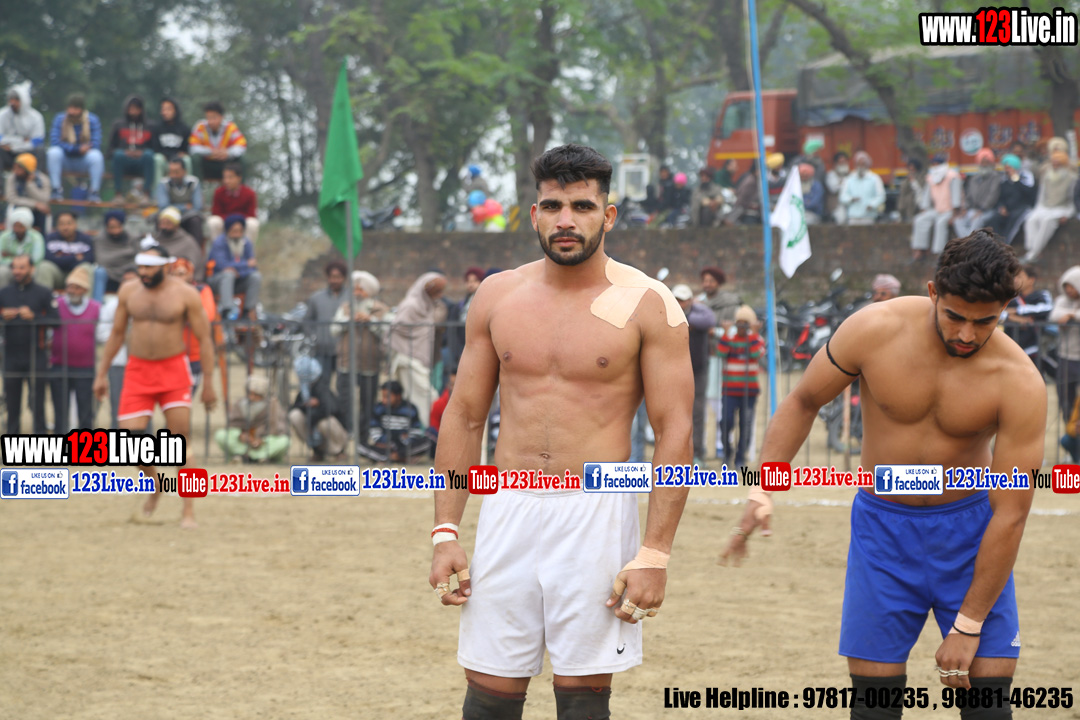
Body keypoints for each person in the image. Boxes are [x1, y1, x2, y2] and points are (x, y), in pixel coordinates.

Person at [722, 231, 1046, 717]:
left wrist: (970, 624)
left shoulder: (1019, 380)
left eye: (985, 322)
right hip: (883, 530)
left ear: (1005, 309)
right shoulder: (874, 329)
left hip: (972, 534)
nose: (966, 334)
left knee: (989, 707)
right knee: (874, 708)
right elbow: (804, 400)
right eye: (954, 316)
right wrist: (764, 489)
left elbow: (1012, 513)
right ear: (933, 292)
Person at [429, 143, 693, 720]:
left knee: (581, 702)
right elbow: (465, 414)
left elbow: (675, 429)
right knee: (488, 700)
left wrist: (654, 553)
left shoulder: (649, 302)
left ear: (609, 215)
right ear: (534, 214)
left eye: (582, 206)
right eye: (552, 206)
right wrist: (445, 530)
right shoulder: (497, 295)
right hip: (508, 507)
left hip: (596, 513)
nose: (565, 220)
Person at [93, 244, 217, 529]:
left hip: (173, 370)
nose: (143, 272)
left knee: (180, 443)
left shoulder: (186, 294)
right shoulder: (129, 291)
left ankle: (188, 511)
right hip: (138, 371)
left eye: (149, 267)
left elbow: (205, 339)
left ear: (166, 266)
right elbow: (117, 333)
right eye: (141, 266)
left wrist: (209, 382)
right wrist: (101, 374)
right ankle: (156, 483)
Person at [0, 255, 58, 434]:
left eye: (21, 267)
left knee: (38, 401)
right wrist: (2, 316)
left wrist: (35, 317)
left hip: (36, 354)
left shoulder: (43, 292)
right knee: (12, 402)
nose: (17, 271)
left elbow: (56, 321)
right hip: (11, 355)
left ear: (32, 269)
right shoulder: (4, 292)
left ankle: (40, 440)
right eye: (14, 267)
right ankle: (12, 440)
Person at [332, 270, 388, 439]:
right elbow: (334, 329)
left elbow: (387, 331)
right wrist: (349, 320)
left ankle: (364, 435)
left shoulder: (380, 309)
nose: (357, 293)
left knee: (368, 400)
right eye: (355, 289)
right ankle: (348, 431)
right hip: (346, 363)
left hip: (369, 364)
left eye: (360, 289)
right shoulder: (346, 307)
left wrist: (370, 321)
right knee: (345, 399)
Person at [389, 271, 447, 427]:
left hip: (420, 360)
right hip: (408, 359)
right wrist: (415, 334)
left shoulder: (428, 305)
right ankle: (427, 430)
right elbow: (397, 328)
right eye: (436, 292)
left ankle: (425, 431)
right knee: (428, 397)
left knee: (422, 398)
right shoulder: (411, 305)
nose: (440, 296)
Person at [49, 266, 100, 435]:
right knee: (60, 410)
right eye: (70, 286)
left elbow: (101, 335)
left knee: (85, 409)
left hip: (85, 367)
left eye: (77, 287)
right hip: (59, 365)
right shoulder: (57, 305)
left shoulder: (95, 308)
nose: (72, 290)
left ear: (85, 290)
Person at [715, 305, 764, 468]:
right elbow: (721, 352)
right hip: (730, 390)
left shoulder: (756, 339)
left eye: (745, 324)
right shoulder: (730, 338)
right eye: (739, 323)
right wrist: (726, 333)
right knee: (726, 422)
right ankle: (727, 453)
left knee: (746, 425)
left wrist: (754, 334)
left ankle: (740, 458)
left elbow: (756, 353)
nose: (741, 327)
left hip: (749, 391)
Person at [673, 283, 716, 462]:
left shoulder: (699, 312)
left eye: (683, 300)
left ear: (690, 300)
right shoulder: (668, 313)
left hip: (698, 370)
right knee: (675, 413)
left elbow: (710, 320)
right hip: (675, 371)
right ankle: (678, 453)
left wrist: (686, 318)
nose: (680, 303)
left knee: (697, 412)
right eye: (677, 300)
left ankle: (697, 453)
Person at [96, 266, 140, 428]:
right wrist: (120, 337)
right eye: (125, 281)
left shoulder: (147, 303)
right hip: (118, 362)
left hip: (141, 363)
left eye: (132, 281)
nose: (128, 284)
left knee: (142, 406)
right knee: (118, 406)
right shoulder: (111, 305)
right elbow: (101, 332)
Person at [171, 257, 221, 396]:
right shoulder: (167, 292)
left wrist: (182, 313)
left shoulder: (202, 289)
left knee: (186, 396)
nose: (178, 278)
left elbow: (208, 315)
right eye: (175, 274)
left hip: (193, 355)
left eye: (182, 274)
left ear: (190, 274)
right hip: (171, 355)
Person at [215, 375, 290, 463]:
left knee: (285, 441)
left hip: (263, 442)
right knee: (221, 435)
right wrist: (241, 435)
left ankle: (260, 456)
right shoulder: (240, 404)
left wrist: (261, 440)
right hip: (242, 443)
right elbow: (232, 424)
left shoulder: (273, 405)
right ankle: (241, 455)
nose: (252, 397)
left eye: (256, 395)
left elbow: (278, 428)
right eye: (250, 393)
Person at [288, 355, 348, 461]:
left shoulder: (322, 387)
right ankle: (318, 451)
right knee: (295, 415)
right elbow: (295, 407)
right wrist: (306, 405)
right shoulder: (305, 389)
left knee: (324, 422)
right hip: (315, 431)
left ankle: (339, 451)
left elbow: (330, 409)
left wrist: (313, 416)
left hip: (337, 432)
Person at [46, 93, 104, 203]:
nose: (72, 111)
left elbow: (96, 143)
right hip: (65, 158)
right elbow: (55, 142)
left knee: (97, 156)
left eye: (75, 108)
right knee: (53, 152)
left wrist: (84, 149)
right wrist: (76, 149)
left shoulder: (92, 120)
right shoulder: (60, 119)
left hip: (84, 159)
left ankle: (94, 192)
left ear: (81, 109)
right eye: (70, 107)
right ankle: (56, 190)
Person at [1021, 150, 1077, 262]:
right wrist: (1037, 210)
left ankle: (1033, 254)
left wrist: (1068, 214)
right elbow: (1041, 197)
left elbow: (1072, 199)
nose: (1055, 165)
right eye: (1053, 162)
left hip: (1061, 208)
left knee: (1047, 222)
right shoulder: (1046, 176)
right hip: (1045, 207)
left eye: (1057, 163)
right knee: (1031, 220)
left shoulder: (1072, 178)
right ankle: (1032, 250)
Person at [359, 380, 430, 462]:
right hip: (385, 446)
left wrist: (403, 440)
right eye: (383, 397)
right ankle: (400, 458)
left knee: (428, 442)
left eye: (387, 397)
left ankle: (391, 457)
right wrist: (387, 441)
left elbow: (416, 431)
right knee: (359, 446)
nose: (384, 400)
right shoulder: (379, 408)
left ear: (398, 396)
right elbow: (375, 431)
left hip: (405, 446)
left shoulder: (410, 409)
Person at [207, 214, 260, 322]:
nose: (237, 234)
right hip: (218, 281)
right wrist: (245, 264)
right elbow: (221, 265)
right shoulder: (219, 242)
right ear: (228, 230)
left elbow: (253, 266)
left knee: (255, 276)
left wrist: (238, 270)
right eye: (234, 231)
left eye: (240, 231)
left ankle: (247, 311)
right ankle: (227, 310)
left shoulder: (247, 243)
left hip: (239, 280)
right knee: (228, 275)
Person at [911, 153, 963, 262]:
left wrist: (955, 213)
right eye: (934, 164)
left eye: (937, 164)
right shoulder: (931, 177)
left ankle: (938, 253)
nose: (935, 166)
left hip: (949, 210)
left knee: (940, 223)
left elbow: (956, 196)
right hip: (937, 209)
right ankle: (920, 249)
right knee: (919, 219)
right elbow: (926, 196)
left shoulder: (952, 176)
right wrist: (924, 209)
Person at [306, 260, 349, 385]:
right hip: (322, 350)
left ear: (344, 278)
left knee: (344, 386)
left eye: (338, 277)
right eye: (332, 277)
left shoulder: (350, 297)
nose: (335, 280)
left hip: (345, 352)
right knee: (322, 385)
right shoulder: (316, 298)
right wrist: (314, 337)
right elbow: (307, 321)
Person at [1003, 264, 1052, 370]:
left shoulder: (1042, 295)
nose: (1016, 280)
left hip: (1032, 350)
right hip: (1011, 349)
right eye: (1014, 277)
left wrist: (1017, 311)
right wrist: (1013, 318)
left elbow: (1046, 308)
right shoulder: (1010, 298)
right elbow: (998, 313)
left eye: (1020, 276)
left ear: (1031, 280)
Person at [108, 95, 155, 200]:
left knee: (149, 154)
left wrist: (140, 152)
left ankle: (146, 194)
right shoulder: (118, 125)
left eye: (136, 108)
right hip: (124, 162)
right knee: (118, 155)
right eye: (130, 108)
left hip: (142, 163)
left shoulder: (150, 126)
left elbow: (155, 148)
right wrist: (125, 152)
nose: (133, 111)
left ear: (141, 110)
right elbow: (110, 150)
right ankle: (118, 194)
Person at [1049, 266, 1080, 425]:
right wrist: (1068, 314)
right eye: (1066, 286)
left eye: (1072, 286)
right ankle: (1070, 428)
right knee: (1065, 395)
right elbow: (1054, 315)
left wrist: (1072, 315)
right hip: (1066, 356)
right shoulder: (1062, 300)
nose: (1068, 290)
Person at [188, 101, 247, 180]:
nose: (211, 121)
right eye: (208, 118)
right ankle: (196, 185)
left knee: (241, 159)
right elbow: (193, 147)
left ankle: (240, 186)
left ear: (222, 117)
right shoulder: (200, 126)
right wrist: (210, 152)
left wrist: (228, 153)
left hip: (225, 163)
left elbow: (242, 145)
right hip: (207, 163)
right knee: (195, 158)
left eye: (214, 118)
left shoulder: (230, 127)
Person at [39, 211, 95, 291]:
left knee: (86, 267)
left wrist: (60, 258)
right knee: (44, 266)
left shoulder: (85, 239)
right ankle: (44, 298)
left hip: (77, 275)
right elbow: (47, 258)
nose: (65, 227)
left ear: (75, 224)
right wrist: (74, 258)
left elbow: (89, 259)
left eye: (69, 223)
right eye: (61, 224)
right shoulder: (50, 238)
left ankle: (86, 299)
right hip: (57, 275)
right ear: (57, 225)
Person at [954, 148, 1001, 238]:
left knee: (977, 220)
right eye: (982, 162)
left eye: (987, 162)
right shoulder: (974, 178)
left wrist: (981, 210)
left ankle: (967, 242)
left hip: (988, 210)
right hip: (972, 209)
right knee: (958, 220)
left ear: (991, 163)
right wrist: (965, 209)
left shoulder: (995, 177)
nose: (984, 164)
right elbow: (968, 196)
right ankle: (967, 241)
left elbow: (992, 196)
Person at [206, 163, 259, 244]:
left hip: (242, 223)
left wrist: (237, 223)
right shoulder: (218, 192)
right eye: (225, 177)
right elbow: (216, 213)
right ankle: (217, 248)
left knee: (253, 223)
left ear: (239, 178)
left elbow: (251, 214)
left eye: (230, 177)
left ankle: (248, 249)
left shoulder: (249, 193)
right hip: (224, 223)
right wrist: (231, 222)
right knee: (213, 221)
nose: (226, 181)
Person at [156, 157, 204, 244]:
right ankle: (160, 247)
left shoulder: (194, 182)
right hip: (170, 215)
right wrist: (184, 206)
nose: (173, 175)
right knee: (160, 219)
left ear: (184, 171)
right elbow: (163, 206)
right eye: (171, 172)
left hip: (188, 216)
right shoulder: (163, 183)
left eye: (176, 172)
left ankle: (196, 248)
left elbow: (197, 206)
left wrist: (173, 207)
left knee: (195, 220)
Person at [94, 210, 139, 299]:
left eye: (118, 226)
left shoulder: (131, 238)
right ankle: (97, 304)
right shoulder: (100, 239)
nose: (115, 230)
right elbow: (102, 260)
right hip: (108, 273)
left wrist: (131, 270)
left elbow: (138, 258)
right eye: (112, 227)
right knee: (99, 272)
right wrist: (127, 254)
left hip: (128, 272)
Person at [0, 84, 45, 171]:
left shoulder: (36, 117)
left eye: (16, 99)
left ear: (24, 100)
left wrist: (11, 143)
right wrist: (22, 140)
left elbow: (38, 140)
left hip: (28, 155)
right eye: (11, 99)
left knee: (40, 150)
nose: (13, 103)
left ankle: (37, 178)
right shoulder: (2, 115)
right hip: (9, 154)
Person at [4, 152, 50, 233]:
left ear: (27, 168)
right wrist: (35, 204)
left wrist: (30, 185)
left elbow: (44, 199)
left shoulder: (42, 179)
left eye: (19, 167)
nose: (16, 171)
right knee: (11, 209)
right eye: (15, 167)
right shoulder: (12, 178)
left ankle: (43, 237)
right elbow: (12, 198)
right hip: (19, 208)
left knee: (45, 211)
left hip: (37, 211)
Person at [154, 208, 204, 281]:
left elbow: (193, 264)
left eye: (168, 223)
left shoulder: (187, 241)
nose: (164, 227)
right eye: (162, 223)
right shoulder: (155, 240)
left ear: (176, 225)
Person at [152, 97, 192, 188]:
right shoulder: (157, 128)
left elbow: (186, 149)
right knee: (157, 159)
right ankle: (158, 191)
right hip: (163, 160)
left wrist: (179, 156)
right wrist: (167, 157)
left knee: (187, 160)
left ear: (175, 110)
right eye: (163, 109)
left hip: (178, 160)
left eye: (168, 109)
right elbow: (155, 148)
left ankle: (188, 190)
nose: (165, 112)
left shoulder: (184, 128)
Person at [0, 208, 45, 288]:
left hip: (30, 268)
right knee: (2, 271)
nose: (17, 229)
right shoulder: (4, 236)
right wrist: (16, 264)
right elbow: (1, 258)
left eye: (21, 226)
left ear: (27, 226)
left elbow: (36, 259)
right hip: (10, 267)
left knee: (40, 270)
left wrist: (12, 256)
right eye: (15, 226)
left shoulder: (36, 237)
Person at [838, 151, 885, 225]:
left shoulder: (874, 179)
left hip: (869, 216)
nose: (860, 166)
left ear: (867, 165)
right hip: (853, 216)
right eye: (858, 164)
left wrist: (872, 205)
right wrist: (851, 199)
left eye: (863, 164)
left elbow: (881, 195)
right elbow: (842, 196)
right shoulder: (849, 179)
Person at [896, 158, 927, 223]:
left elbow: (919, 189)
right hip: (904, 202)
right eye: (909, 166)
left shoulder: (921, 177)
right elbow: (903, 189)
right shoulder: (906, 177)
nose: (911, 168)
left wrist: (913, 181)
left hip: (916, 202)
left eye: (912, 167)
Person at [826, 151, 851, 224]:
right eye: (841, 162)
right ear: (836, 163)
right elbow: (834, 189)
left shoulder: (851, 175)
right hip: (837, 205)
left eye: (844, 161)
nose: (843, 164)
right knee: (841, 218)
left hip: (850, 203)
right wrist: (843, 183)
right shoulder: (831, 175)